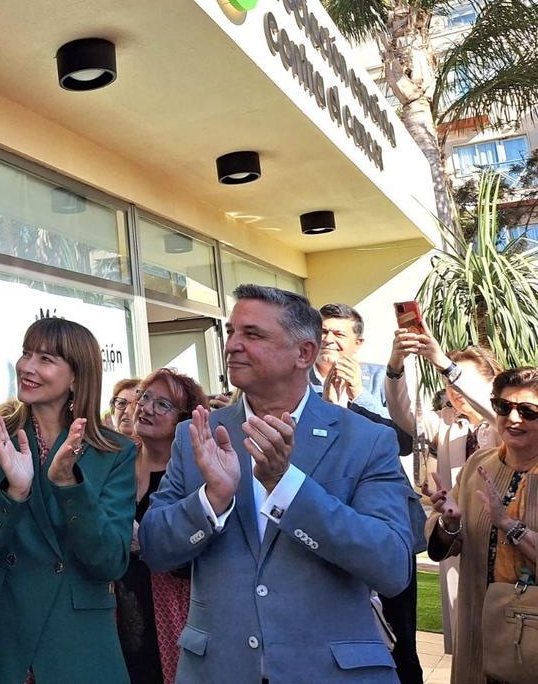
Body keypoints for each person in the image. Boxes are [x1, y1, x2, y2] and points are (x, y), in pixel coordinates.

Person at [139, 284, 415, 683]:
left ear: (304, 353)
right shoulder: (196, 435)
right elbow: (155, 549)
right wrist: (211, 500)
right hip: (219, 671)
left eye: (252, 334)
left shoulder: (366, 439)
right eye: (232, 331)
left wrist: (288, 488)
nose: (232, 345)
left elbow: (391, 566)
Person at [0, 317, 136, 683]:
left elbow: (111, 561)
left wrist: (69, 486)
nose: (27, 367)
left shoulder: (115, 452)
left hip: (79, 644)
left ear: (76, 377)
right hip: (4, 638)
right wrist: (12, 493)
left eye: (46, 359)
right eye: (26, 353)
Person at [314, 303, 421, 684]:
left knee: (400, 636)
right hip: (329, 523)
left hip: (384, 522)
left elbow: (405, 441)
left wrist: (359, 395)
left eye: (339, 334)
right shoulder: (301, 387)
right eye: (323, 332)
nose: (329, 340)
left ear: (357, 343)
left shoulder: (380, 380)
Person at [384, 329, 501, 654]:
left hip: (503, 535)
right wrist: (396, 364)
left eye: (460, 377)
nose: (454, 389)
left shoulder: (507, 419)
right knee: (468, 639)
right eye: (448, 381)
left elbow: (494, 411)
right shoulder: (447, 422)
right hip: (458, 536)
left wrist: (442, 362)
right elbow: (403, 413)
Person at [426, 367, 538, 684]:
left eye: (528, 411)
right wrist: (449, 522)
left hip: (529, 648)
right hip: (477, 632)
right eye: (504, 407)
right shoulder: (480, 464)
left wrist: (511, 527)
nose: (513, 419)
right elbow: (451, 541)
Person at [115, 368, 207, 684]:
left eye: (163, 404)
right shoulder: (119, 463)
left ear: (184, 419)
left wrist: (154, 543)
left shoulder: (193, 474)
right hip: (118, 604)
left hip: (174, 607)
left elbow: (207, 547)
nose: (147, 407)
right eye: (145, 397)